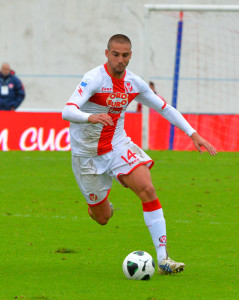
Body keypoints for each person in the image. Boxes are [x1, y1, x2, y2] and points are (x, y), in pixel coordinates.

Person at [62, 34, 217, 275]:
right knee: (102, 217)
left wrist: (192, 133)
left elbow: (163, 107)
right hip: (87, 154)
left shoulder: (134, 83)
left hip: (117, 144)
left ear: (130, 55)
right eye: (115, 55)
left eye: (125, 55)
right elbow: (68, 110)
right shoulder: (93, 78)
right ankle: (102, 205)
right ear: (107, 54)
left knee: (148, 188)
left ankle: (164, 258)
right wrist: (90, 117)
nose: (120, 60)